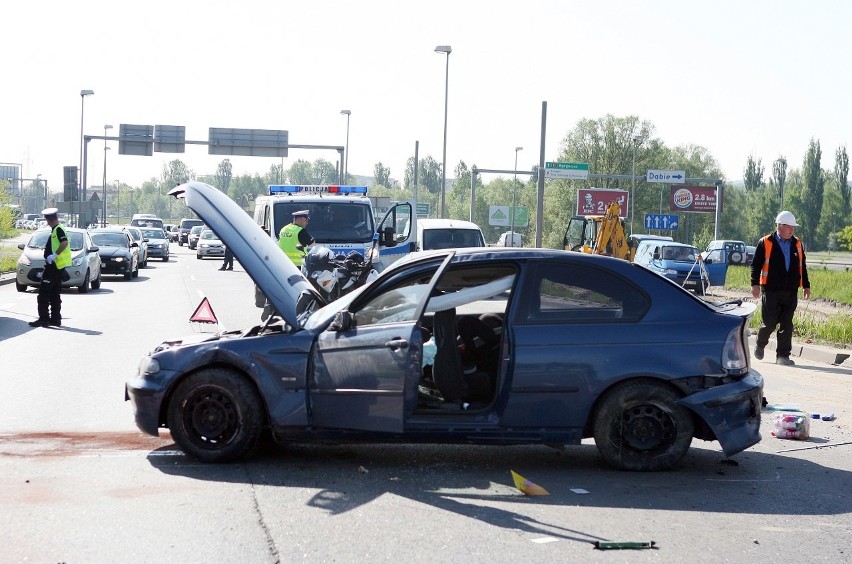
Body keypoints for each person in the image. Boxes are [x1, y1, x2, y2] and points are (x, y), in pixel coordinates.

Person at [750, 210, 811, 366]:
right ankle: (760, 343)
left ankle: (782, 356)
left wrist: (806, 285)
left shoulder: (797, 244)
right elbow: (756, 265)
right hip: (770, 290)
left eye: (793, 227)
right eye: (789, 226)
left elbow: (801, 266)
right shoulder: (765, 242)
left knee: (787, 324)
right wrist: (754, 284)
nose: (792, 230)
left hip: (791, 290)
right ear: (779, 226)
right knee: (769, 322)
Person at [29, 208, 71, 327]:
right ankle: (55, 319)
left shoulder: (58, 230)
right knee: (54, 294)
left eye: (47, 220)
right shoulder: (57, 229)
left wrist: (54, 255)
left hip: (54, 267)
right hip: (57, 267)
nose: (47, 222)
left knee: (43, 294)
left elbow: (64, 243)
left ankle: (44, 319)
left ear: (49, 219)